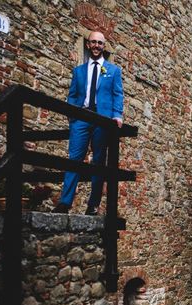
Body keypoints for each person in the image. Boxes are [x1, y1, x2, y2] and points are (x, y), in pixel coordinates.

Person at [52, 30, 124, 215]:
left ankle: (93, 205)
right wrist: (73, 116)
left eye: (100, 43)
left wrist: (117, 115)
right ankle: (65, 203)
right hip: (81, 119)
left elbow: (118, 94)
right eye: (93, 42)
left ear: (104, 46)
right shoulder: (78, 71)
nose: (96, 46)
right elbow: (73, 95)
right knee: (73, 159)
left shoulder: (113, 71)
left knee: (98, 162)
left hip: (102, 120)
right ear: (88, 44)